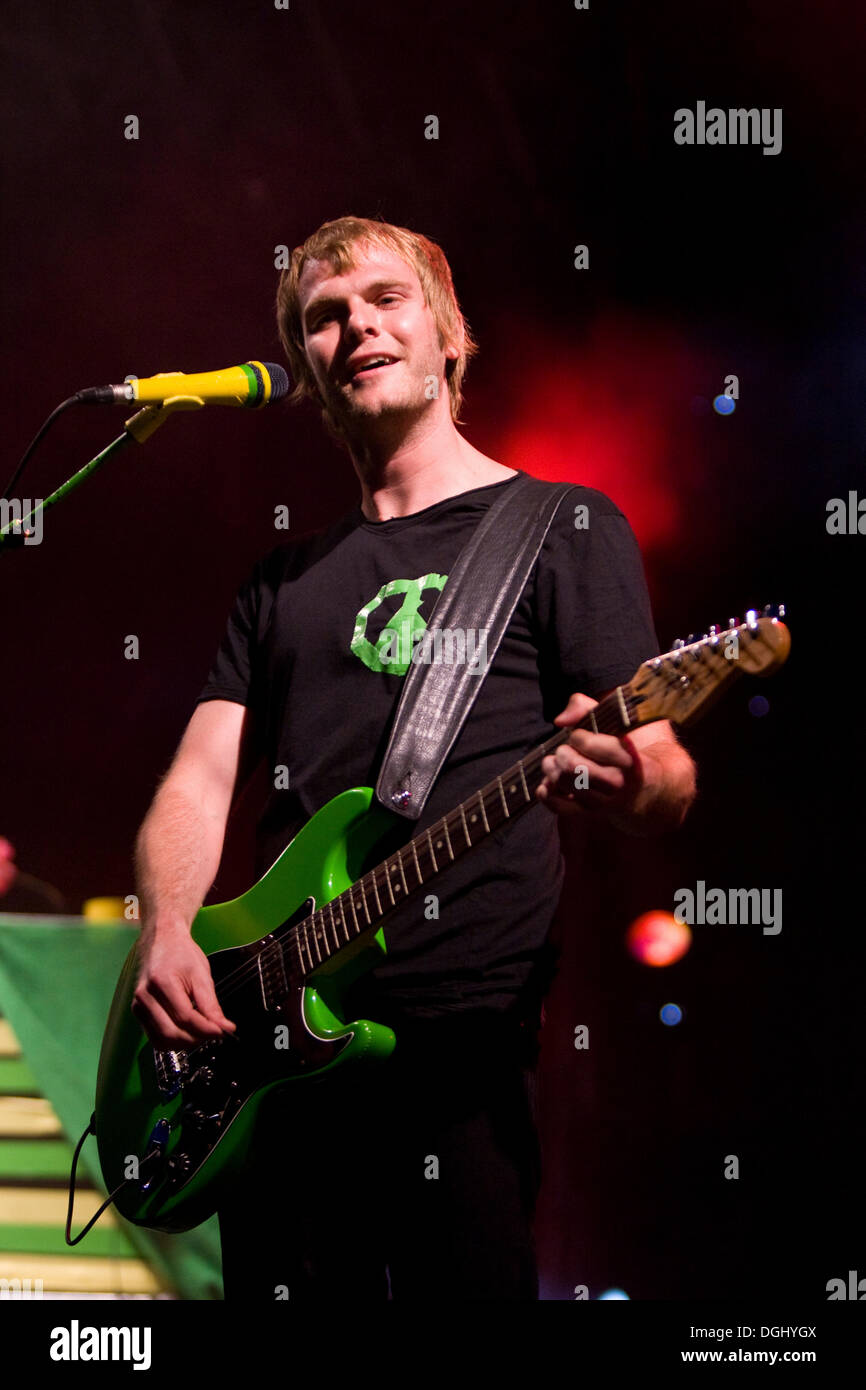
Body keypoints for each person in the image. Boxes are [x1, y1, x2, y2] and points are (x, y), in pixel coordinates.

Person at [131, 215, 697, 1301]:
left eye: (386, 301)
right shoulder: (280, 581)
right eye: (325, 318)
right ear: (305, 368)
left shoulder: (562, 529)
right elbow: (198, 777)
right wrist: (164, 928)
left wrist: (633, 778)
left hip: (454, 1060)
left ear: (449, 336)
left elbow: (656, 763)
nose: (357, 327)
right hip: (270, 1055)